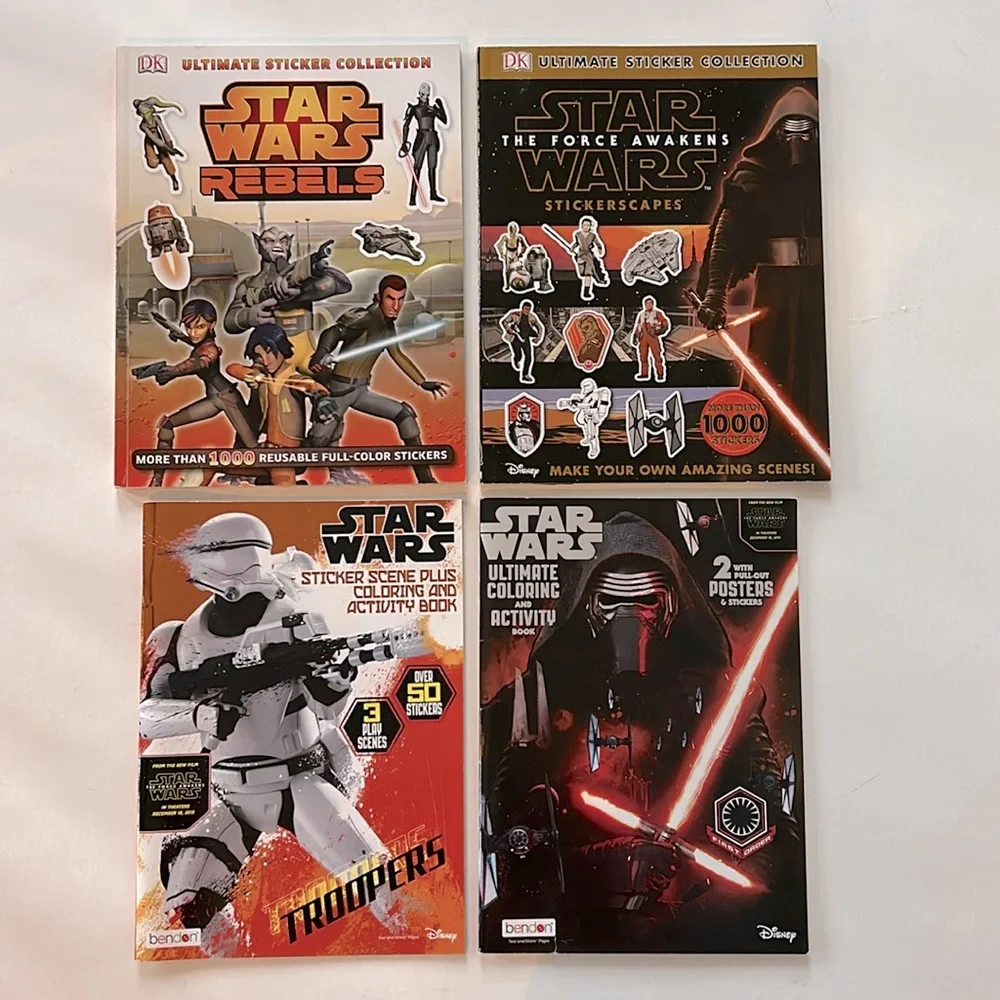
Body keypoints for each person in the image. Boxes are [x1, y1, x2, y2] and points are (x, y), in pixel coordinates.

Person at [139, 513, 393, 956]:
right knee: (189, 901)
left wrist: (337, 679)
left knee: (381, 883)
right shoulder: (176, 639)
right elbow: (145, 716)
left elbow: (327, 706)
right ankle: (237, 965)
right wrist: (200, 715)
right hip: (227, 792)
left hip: (299, 781)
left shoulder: (296, 624)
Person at [694, 85, 828, 440]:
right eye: (790, 129)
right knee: (773, 367)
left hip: (825, 289)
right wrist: (715, 294)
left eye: (806, 131)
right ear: (775, 132)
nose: (797, 141)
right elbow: (728, 235)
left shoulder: (836, 172)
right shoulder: (755, 173)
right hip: (776, 290)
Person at [307, 275, 447, 484]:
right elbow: (333, 332)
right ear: (378, 297)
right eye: (390, 298)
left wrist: (422, 382)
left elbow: (397, 355)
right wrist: (321, 352)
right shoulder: (365, 317)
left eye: (400, 299)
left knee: (405, 416)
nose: (396, 306)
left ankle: (426, 479)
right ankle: (275, 466)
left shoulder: (388, 327)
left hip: (361, 392)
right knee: (318, 441)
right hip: (338, 391)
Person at [139, 299, 257, 487]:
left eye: (199, 327)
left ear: (212, 325)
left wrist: (173, 371)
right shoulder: (202, 342)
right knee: (167, 425)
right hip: (213, 400)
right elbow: (195, 343)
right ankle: (157, 480)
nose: (193, 333)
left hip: (228, 399)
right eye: (189, 327)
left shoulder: (210, 350)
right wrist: (178, 335)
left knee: (255, 450)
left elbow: (199, 362)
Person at [226, 324, 330, 486]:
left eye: (269, 353)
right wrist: (250, 374)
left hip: (287, 456)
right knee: (206, 465)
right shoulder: (263, 376)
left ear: (281, 349)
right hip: (265, 452)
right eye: (259, 356)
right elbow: (232, 368)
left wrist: (322, 399)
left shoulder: (293, 380)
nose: (266, 361)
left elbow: (314, 387)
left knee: (284, 488)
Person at [398, 82, 448, 207]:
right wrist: (404, 142)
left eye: (427, 94)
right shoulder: (415, 109)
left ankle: (433, 194)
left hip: (432, 137)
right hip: (422, 138)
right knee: (417, 168)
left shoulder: (432, 109)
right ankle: (412, 197)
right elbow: (406, 125)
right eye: (423, 94)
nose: (425, 97)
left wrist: (440, 107)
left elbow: (444, 120)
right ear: (419, 94)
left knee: (432, 166)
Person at [500, 300, 545, 384]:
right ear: (522, 308)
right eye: (526, 309)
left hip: (526, 339)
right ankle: (516, 360)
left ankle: (525, 375)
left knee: (529, 356)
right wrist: (508, 329)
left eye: (529, 309)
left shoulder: (532, 317)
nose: (527, 311)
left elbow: (540, 327)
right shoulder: (515, 314)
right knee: (519, 355)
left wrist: (538, 338)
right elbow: (504, 322)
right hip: (515, 338)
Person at [568, 216, 609, 301]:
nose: (586, 227)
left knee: (588, 274)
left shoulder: (593, 235)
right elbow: (576, 243)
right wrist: (572, 248)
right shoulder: (577, 234)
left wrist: (600, 252)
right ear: (582, 225)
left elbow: (598, 244)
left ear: (590, 226)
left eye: (588, 225)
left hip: (589, 256)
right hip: (580, 255)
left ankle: (586, 292)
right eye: (584, 225)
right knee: (582, 273)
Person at [631, 296, 671, 383]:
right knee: (643, 357)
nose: (648, 305)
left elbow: (665, 322)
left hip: (652, 337)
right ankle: (644, 373)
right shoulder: (641, 315)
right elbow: (638, 326)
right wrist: (635, 335)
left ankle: (660, 374)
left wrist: (661, 330)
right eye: (647, 303)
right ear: (644, 305)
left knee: (657, 356)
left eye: (650, 303)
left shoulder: (657, 313)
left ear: (653, 304)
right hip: (643, 338)